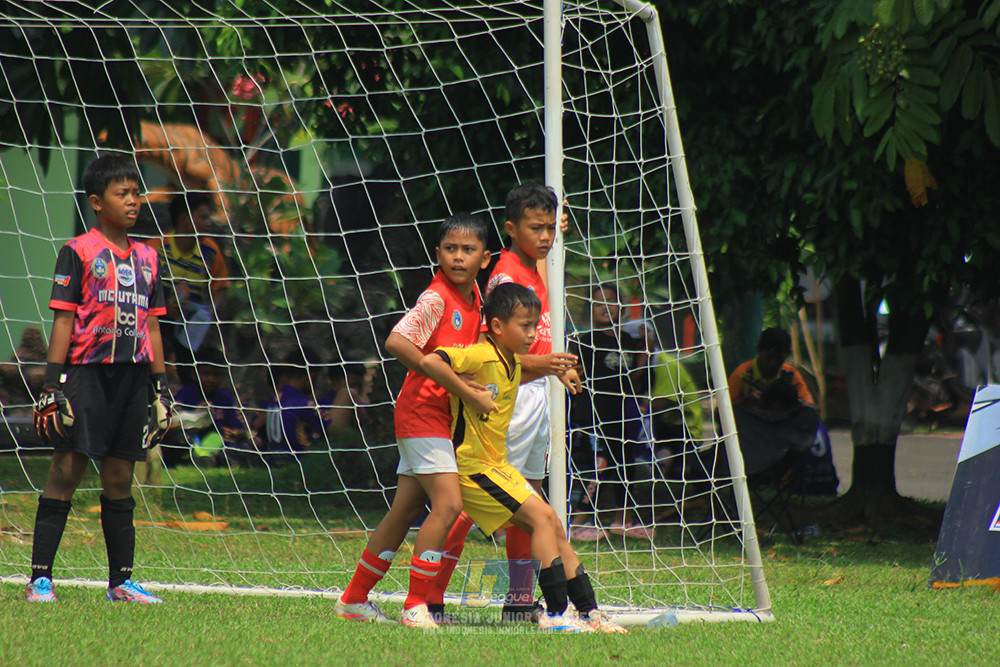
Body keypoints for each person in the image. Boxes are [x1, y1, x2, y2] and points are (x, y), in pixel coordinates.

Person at [419, 282, 626, 633]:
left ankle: (590, 612)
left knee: (553, 524)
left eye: (534, 325)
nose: (533, 334)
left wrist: (557, 369)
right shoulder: (480, 355)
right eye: (525, 326)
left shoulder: (510, 362)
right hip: (473, 469)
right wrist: (468, 391)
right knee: (542, 518)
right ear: (497, 326)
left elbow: (524, 370)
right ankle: (555, 615)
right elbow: (430, 360)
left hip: (497, 466)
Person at [425, 183, 580, 624]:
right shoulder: (507, 275)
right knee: (472, 503)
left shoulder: (535, 263)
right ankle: (431, 598)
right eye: (537, 228)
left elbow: (538, 328)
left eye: (551, 228)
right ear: (512, 229)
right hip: (512, 397)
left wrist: (554, 367)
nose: (546, 236)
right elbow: (498, 351)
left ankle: (519, 600)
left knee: (526, 501)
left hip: (538, 394)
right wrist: (547, 364)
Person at [27, 154, 171, 604]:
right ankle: (40, 580)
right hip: (85, 376)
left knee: (120, 476)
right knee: (66, 469)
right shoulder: (78, 252)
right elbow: (64, 321)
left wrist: (160, 388)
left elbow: (152, 324)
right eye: (122, 193)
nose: (133, 201)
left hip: (132, 380)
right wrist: (51, 385)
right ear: (96, 201)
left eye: (136, 193)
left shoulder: (149, 257)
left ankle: (121, 583)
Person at [335, 213, 491, 629]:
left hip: (441, 416)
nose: (458, 257)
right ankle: (416, 605)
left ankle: (353, 600)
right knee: (450, 505)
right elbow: (396, 341)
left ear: (484, 258)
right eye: (450, 249)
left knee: (404, 511)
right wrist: (452, 381)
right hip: (422, 413)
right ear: (437, 254)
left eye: (468, 250)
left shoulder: (476, 296)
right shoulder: (436, 298)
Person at [568, 284, 649, 540]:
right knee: (599, 467)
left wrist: (646, 351)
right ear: (590, 309)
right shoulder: (583, 341)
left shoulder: (627, 341)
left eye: (611, 300)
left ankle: (622, 520)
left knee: (626, 466)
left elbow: (632, 379)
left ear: (621, 307)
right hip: (592, 416)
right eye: (598, 302)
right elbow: (573, 376)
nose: (605, 306)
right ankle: (576, 523)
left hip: (620, 416)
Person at [146, 192, 230, 382]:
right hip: (157, 324)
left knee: (189, 368)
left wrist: (209, 312)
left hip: (191, 326)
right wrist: (163, 308)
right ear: (184, 218)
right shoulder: (154, 248)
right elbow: (139, 290)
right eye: (203, 217)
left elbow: (221, 286)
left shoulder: (210, 250)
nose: (208, 223)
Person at [727, 327, 820, 476]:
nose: (772, 363)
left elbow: (808, 408)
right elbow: (721, 414)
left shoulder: (790, 374)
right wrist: (744, 403)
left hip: (782, 438)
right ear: (759, 350)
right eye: (768, 357)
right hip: (750, 438)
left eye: (779, 359)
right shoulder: (742, 374)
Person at [157, 346, 248, 467]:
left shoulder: (225, 398)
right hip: (192, 441)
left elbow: (236, 426)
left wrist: (235, 433)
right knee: (181, 441)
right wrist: (196, 414)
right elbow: (175, 421)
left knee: (240, 447)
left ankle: (214, 459)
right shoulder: (186, 394)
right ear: (194, 374)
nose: (211, 379)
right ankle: (196, 459)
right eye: (206, 374)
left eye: (216, 375)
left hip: (218, 443)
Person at [255, 346, 325, 464]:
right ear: (311, 376)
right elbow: (332, 429)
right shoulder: (303, 404)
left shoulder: (275, 400)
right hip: (295, 460)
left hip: (274, 458)